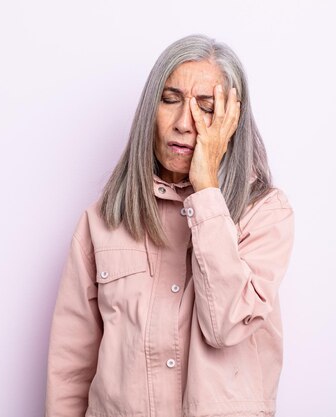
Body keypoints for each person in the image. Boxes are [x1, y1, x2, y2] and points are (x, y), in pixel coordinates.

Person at [45, 33, 295, 417]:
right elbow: (70, 368)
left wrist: (206, 191)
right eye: (170, 100)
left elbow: (226, 325)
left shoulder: (265, 213)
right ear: (150, 109)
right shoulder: (103, 220)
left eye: (206, 107)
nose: (183, 123)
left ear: (231, 122)